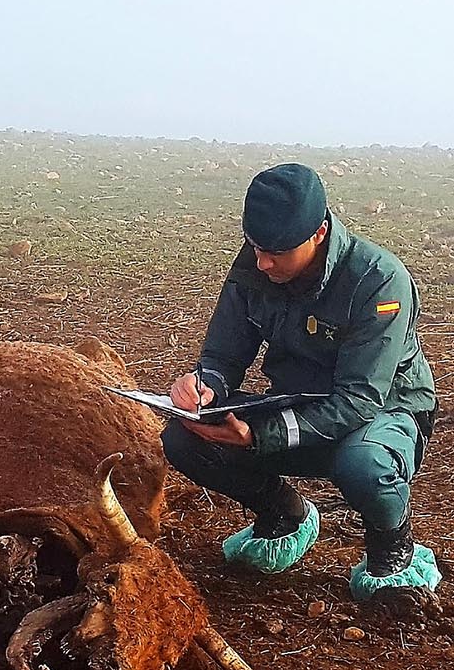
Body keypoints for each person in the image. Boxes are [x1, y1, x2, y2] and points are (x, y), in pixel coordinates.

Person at [162, 163, 439, 612]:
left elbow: (358, 399)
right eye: (254, 246)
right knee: (183, 437)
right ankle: (285, 516)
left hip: (382, 412)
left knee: (364, 464)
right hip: (298, 402)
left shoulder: (378, 281)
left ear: (319, 232)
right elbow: (223, 357)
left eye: (276, 251)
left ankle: (392, 549)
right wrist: (204, 387)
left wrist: (259, 436)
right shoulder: (255, 267)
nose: (263, 262)